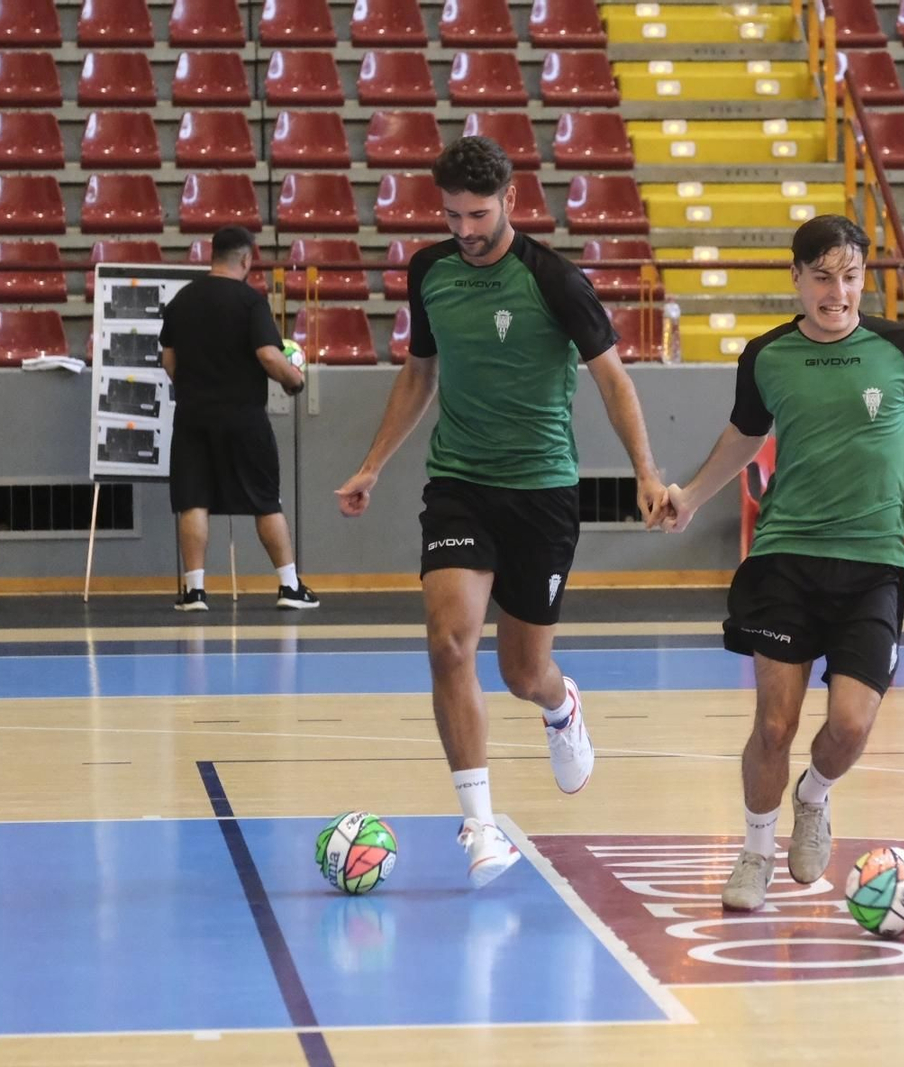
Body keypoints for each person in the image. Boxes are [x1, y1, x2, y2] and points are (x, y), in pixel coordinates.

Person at [658, 214, 904, 911]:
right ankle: (754, 851)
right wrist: (688, 494)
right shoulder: (767, 355)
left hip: (872, 565)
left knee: (850, 724)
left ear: (863, 279)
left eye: (850, 277)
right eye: (822, 278)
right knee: (773, 725)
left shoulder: (903, 348)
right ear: (796, 279)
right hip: (786, 556)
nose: (836, 293)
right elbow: (743, 437)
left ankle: (814, 795)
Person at [334, 137, 667, 889]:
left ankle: (561, 704)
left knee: (523, 670)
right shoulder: (430, 271)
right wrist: (373, 464)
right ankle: (480, 823)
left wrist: (646, 471)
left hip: (543, 490)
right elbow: (419, 373)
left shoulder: (552, 279)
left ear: (510, 200)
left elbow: (613, 380)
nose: (464, 230)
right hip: (459, 481)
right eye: (450, 215)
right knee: (449, 642)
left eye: (477, 215)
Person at [159, 225, 318, 613]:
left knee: (193, 500)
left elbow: (169, 359)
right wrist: (294, 380)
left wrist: (196, 385)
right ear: (247, 259)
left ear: (212, 255)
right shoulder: (250, 301)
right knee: (265, 501)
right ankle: (289, 586)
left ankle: (194, 591)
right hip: (243, 417)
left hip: (193, 416)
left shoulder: (182, 300)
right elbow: (268, 354)